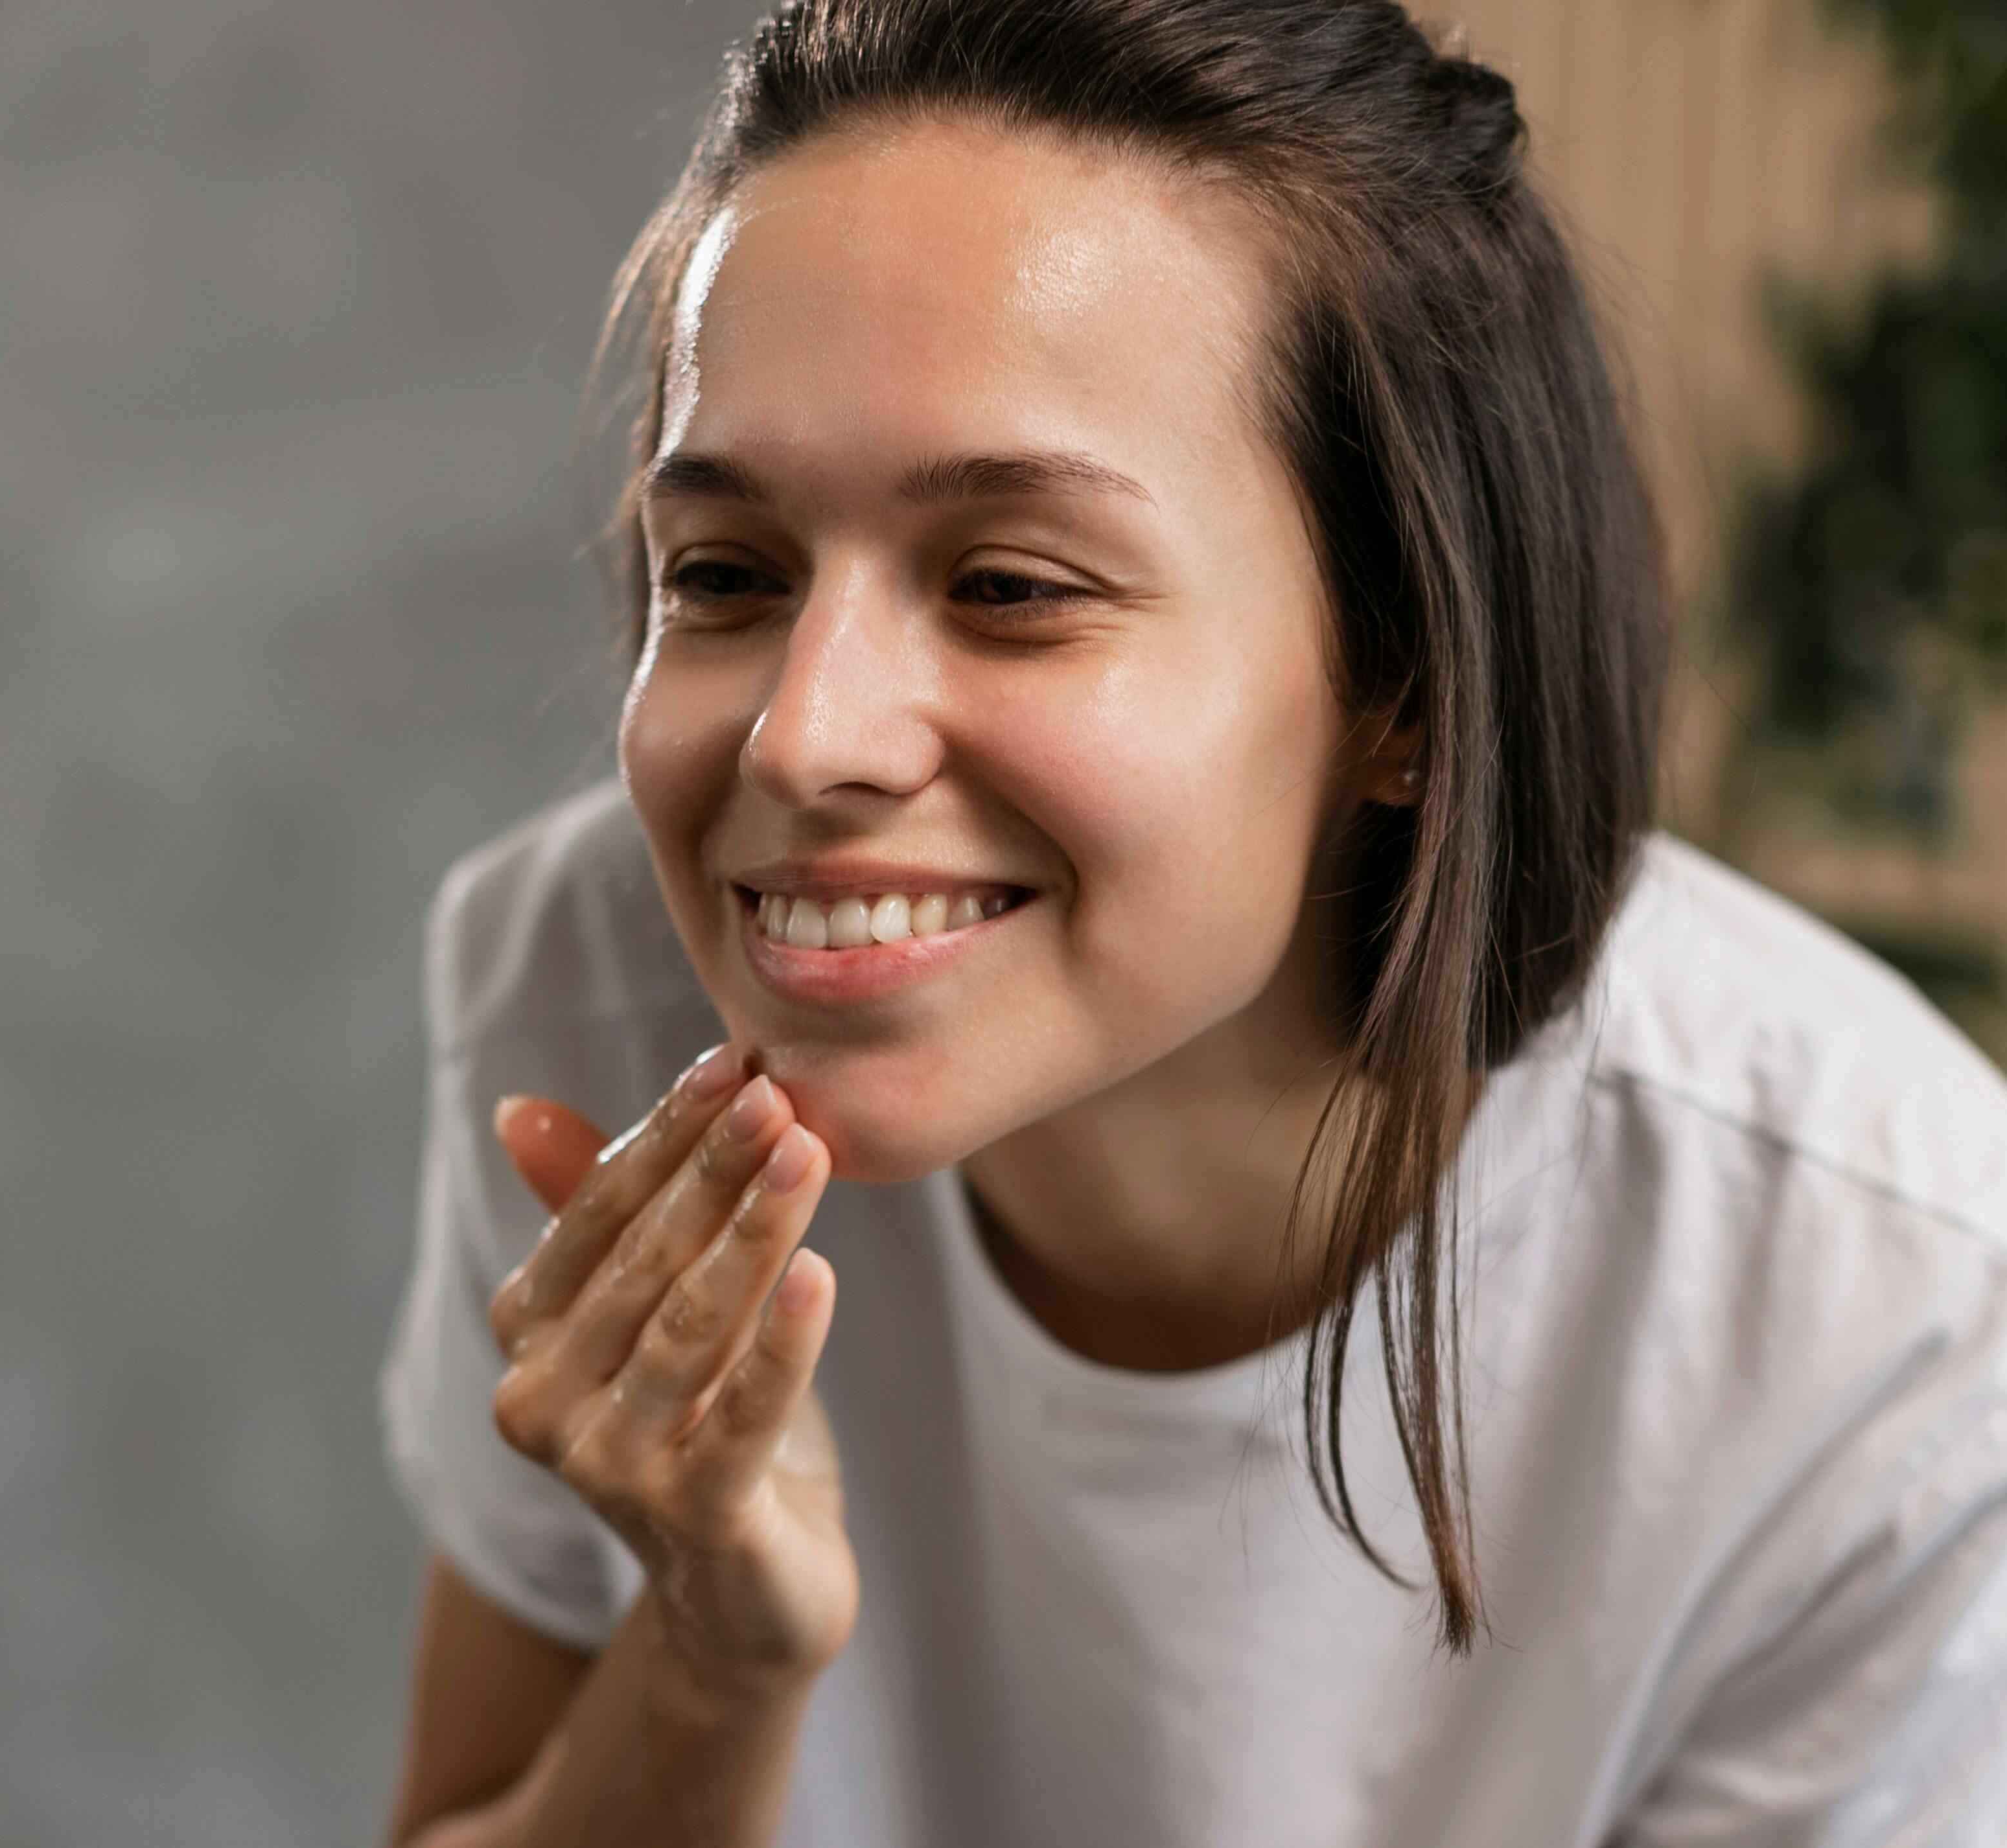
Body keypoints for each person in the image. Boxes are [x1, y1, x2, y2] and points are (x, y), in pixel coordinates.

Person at [374, 0, 2007, 1842]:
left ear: (1398, 675)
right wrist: (709, 1660)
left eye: (1006, 583)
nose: (802, 734)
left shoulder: (1899, 1316)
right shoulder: (589, 983)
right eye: (729, 574)